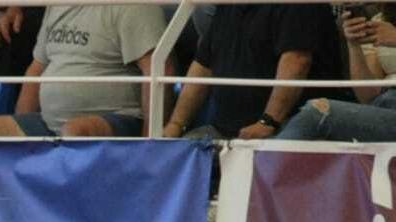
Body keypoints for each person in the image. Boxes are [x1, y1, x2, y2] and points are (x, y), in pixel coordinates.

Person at [0, 4, 167, 139]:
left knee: (75, 133)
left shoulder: (135, 6)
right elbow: (36, 70)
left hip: (117, 119)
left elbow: (160, 68)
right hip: (49, 124)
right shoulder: (57, 5)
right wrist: (20, 135)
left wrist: (149, 141)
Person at [163, 3, 344, 140]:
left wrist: (268, 122)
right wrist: (176, 124)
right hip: (226, 131)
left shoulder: (300, 5)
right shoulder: (228, 7)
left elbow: (297, 61)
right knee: (171, 157)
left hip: (289, 125)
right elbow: (202, 66)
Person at [279, 8, 396, 141]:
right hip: (384, 105)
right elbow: (368, 96)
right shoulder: (382, 21)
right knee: (292, 123)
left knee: (316, 113)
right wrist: (353, 44)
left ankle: (259, 160)